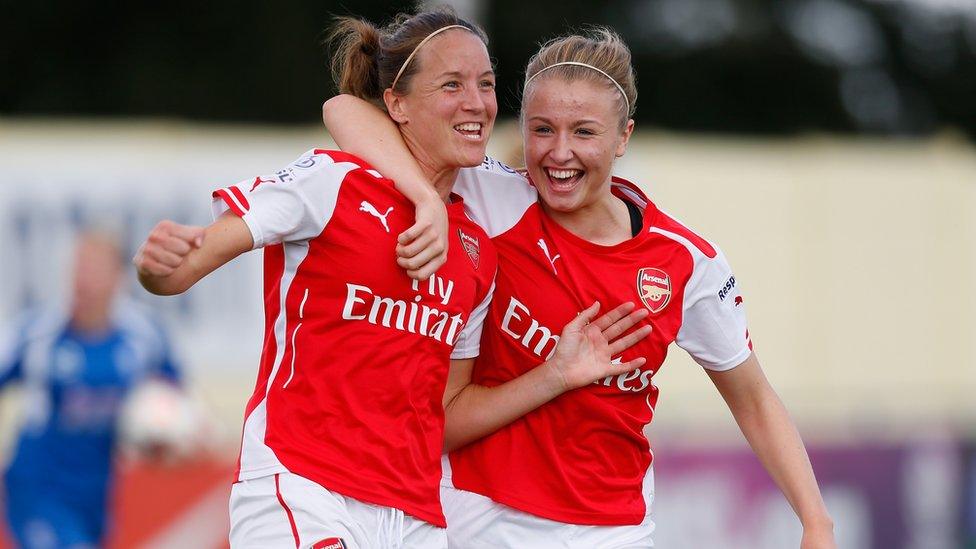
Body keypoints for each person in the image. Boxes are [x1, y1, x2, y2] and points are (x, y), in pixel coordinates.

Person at [134, 10, 646, 549]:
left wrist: (555, 376)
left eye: (487, 85)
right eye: (452, 85)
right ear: (397, 103)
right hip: (304, 488)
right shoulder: (330, 182)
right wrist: (158, 266)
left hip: (414, 516)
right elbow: (181, 270)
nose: (477, 103)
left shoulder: (475, 245)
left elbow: (447, 413)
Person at [322, 27, 836, 549]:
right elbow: (345, 110)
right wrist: (426, 200)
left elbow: (752, 399)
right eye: (542, 130)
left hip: (614, 530)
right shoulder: (491, 196)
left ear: (623, 137)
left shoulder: (686, 263)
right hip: (479, 515)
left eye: (584, 132)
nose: (559, 153)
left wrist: (816, 522)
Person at [0, 231, 182, 549]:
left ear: (117, 278)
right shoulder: (39, 334)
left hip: (97, 491)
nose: (83, 281)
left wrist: (164, 436)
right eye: (79, 269)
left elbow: (173, 397)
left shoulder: (143, 337)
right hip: (37, 488)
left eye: (94, 270)